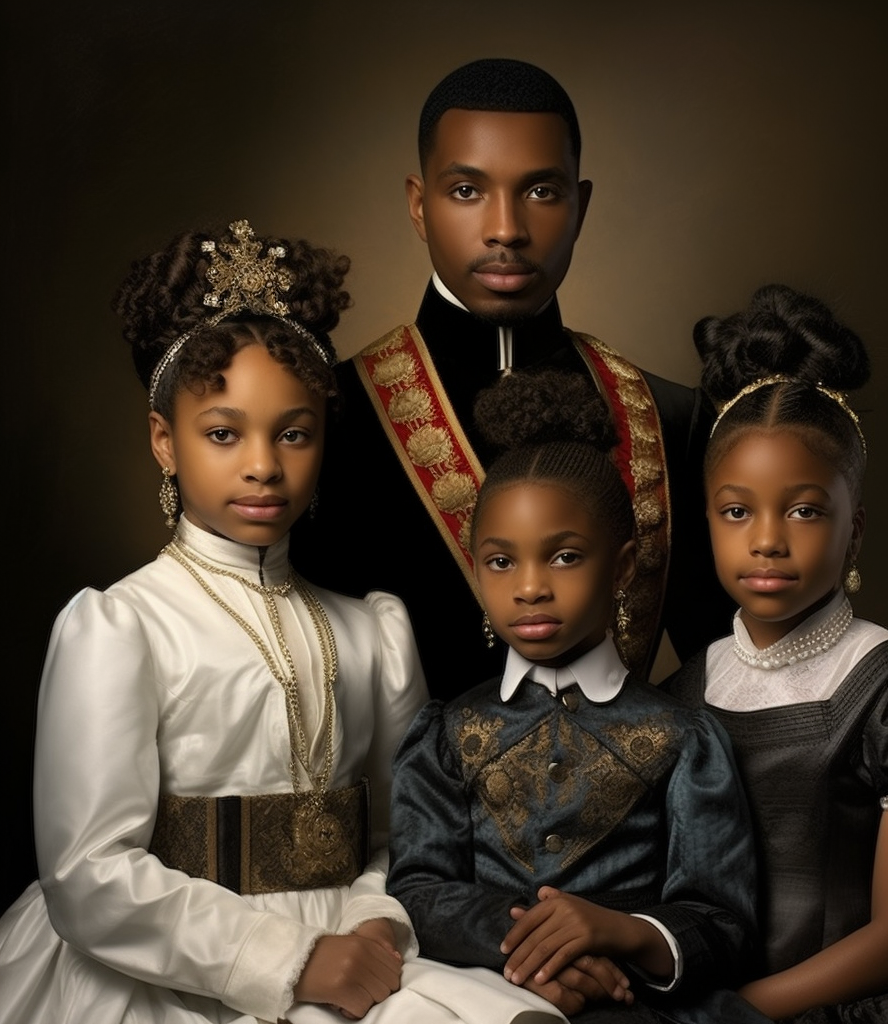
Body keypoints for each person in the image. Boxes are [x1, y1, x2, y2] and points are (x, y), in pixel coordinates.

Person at [0, 220, 571, 1024]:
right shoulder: (120, 627)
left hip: (356, 942)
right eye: (224, 433)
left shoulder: (373, 632)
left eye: (294, 433)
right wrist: (289, 960)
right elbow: (89, 871)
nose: (264, 464)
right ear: (165, 441)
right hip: (174, 963)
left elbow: (403, 832)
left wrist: (376, 922)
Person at [290, 57, 733, 696]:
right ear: (419, 206)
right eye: (467, 191)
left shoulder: (673, 417)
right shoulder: (334, 415)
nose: (506, 229)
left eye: (542, 191)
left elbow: (733, 677)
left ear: (580, 205)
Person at [665, 284, 888, 1023]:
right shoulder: (685, 690)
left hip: (856, 994)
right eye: (738, 511)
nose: (767, 539)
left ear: (854, 531)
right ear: (708, 521)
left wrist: (737, 1012)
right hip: (713, 984)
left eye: (804, 510)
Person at [386, 369, 763, 1022]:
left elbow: (721, 922)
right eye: (502, 562)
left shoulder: (683, 738)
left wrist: (623, 934)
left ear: (620, 568)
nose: (530, 587)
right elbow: (419, 890)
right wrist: (530, 947)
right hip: (485, 995)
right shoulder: (447, 734)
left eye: (563, 557)